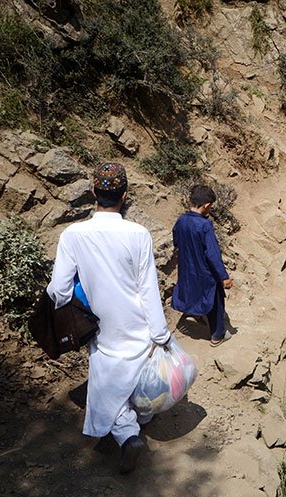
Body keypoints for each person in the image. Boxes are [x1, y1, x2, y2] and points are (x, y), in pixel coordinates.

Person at [47, 162, 171, 474]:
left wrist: (74, 301)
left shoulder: (73, 235)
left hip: (103, 329)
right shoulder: (139, 234)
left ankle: (128, 437)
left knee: (104, 389)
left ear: (93, 192)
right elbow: (148, 288)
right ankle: (139, 420)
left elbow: (59, 291)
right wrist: (161, 333)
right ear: (124, 196)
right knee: (138, 379)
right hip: (139, 325)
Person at [172, 185, 234, 347]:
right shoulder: (205, 225)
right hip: (204, 271)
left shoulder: (181, 220)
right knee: (216, 301)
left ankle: (195, 313)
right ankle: (217, 335)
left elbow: (176, 241)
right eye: (210, 207)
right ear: (206, 205)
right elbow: (212, 255)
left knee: (192, 291)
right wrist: (224, 277)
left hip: (187, 267)